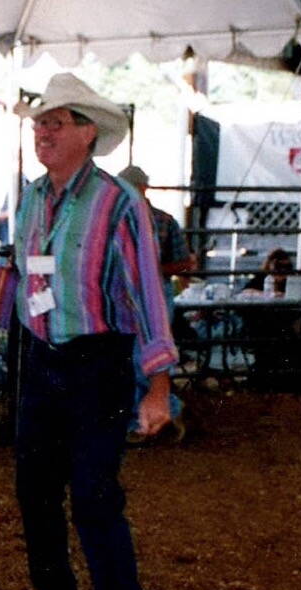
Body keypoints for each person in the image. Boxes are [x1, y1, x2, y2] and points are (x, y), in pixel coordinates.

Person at [0, 73, 174, 590]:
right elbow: (26, 273)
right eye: (39, 122)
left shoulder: (119, 204)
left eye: (55, 121)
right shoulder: (31, 197)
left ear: (87, 133)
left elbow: (148, 292)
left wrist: (158, 385)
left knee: (95, 492)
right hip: (41, 358)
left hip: (99, 363)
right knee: (35, 485)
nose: (42, 131)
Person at [118, 165, 195, 443]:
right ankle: (155, 413)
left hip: (152, 290)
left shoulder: (162, 220)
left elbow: (186, 263)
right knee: (140, 354)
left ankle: (157, 414)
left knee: (146, 354)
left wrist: (150, 269)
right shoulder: (123, 220)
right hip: (131, 292)